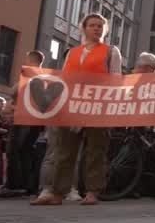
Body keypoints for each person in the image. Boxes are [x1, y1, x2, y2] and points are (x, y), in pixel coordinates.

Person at [32, 14, 122, 206]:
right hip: (73, 107)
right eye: (92, 25)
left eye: (100, 26)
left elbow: (116, 79)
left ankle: (92, 191)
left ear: (105, 30)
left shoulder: (110, 51)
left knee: (96, 150)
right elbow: (65, 79)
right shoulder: (73, 52)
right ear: (84, 28)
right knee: (65, 150)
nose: (96, 28)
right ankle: (58, 192)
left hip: (98, 107)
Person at [2, 51, 45, 196]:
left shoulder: (34, 78)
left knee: (16, 150)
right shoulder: (37, 78)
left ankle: (15, 184)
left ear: (31, 61)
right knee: (24, 151)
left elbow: (15, 92)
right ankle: (24, 184)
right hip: (29, 120)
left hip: (25, 119)